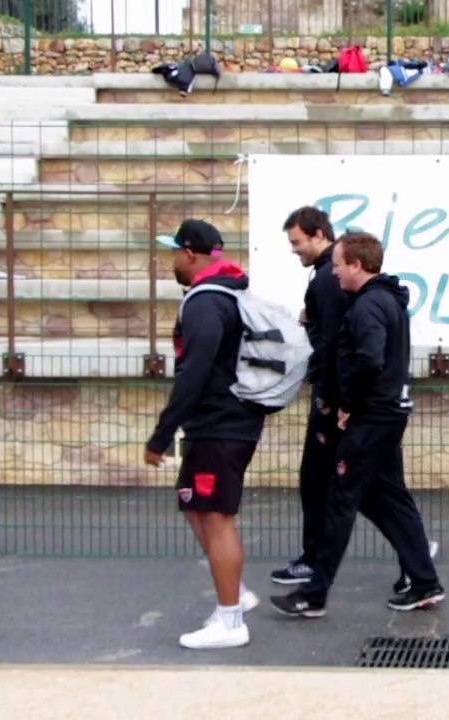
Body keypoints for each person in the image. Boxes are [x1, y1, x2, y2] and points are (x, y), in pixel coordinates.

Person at [270, 232, 444, 618]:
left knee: (340, 499)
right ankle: (424, 580)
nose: (333, 273)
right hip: (387, 411)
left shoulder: (368, 307)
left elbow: (368, 360)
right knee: (385, 497)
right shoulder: (384, 300)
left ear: (357, 265)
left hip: (373, 416)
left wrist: (348, 404)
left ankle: (314, 594)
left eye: (338, 265)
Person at [144, 219, 266, 650]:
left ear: (190, 253)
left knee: (216, 516)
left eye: (175, 251)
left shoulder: (204, 303)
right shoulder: (227, 292)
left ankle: (231, 620)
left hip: (221, 426)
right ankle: (236, 591)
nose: (172, 259)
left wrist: (161, 435)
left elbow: (193, 372)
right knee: (195, 506)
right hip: (220, 424)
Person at [271, 206, 346, 586]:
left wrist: (329, 398)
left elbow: (332, 342)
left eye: (298, 242)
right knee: (377, 486)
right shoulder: (328, 276)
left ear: (319, 235)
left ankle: (314, 561)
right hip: (343, 394)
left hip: (333, 397)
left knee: (317, 478)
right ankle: (415, 558)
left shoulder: (327, 279)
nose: (295, 250)